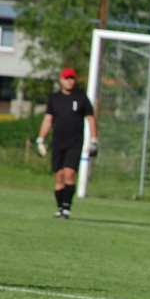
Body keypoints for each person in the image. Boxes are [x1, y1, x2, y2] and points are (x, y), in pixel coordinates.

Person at [35, 67, 97, 219]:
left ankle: (67, 207)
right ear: (61, 80)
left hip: (74, 143)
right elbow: (48, 119)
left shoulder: (81, 97)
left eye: (72, 78)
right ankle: (60, 207)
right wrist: (40, 139)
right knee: (59, 177)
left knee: (69, 174)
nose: (70, 81)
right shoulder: (54, 98)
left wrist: (94, 139)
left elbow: (90, 118)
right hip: (57, 143)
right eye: (67, 78)